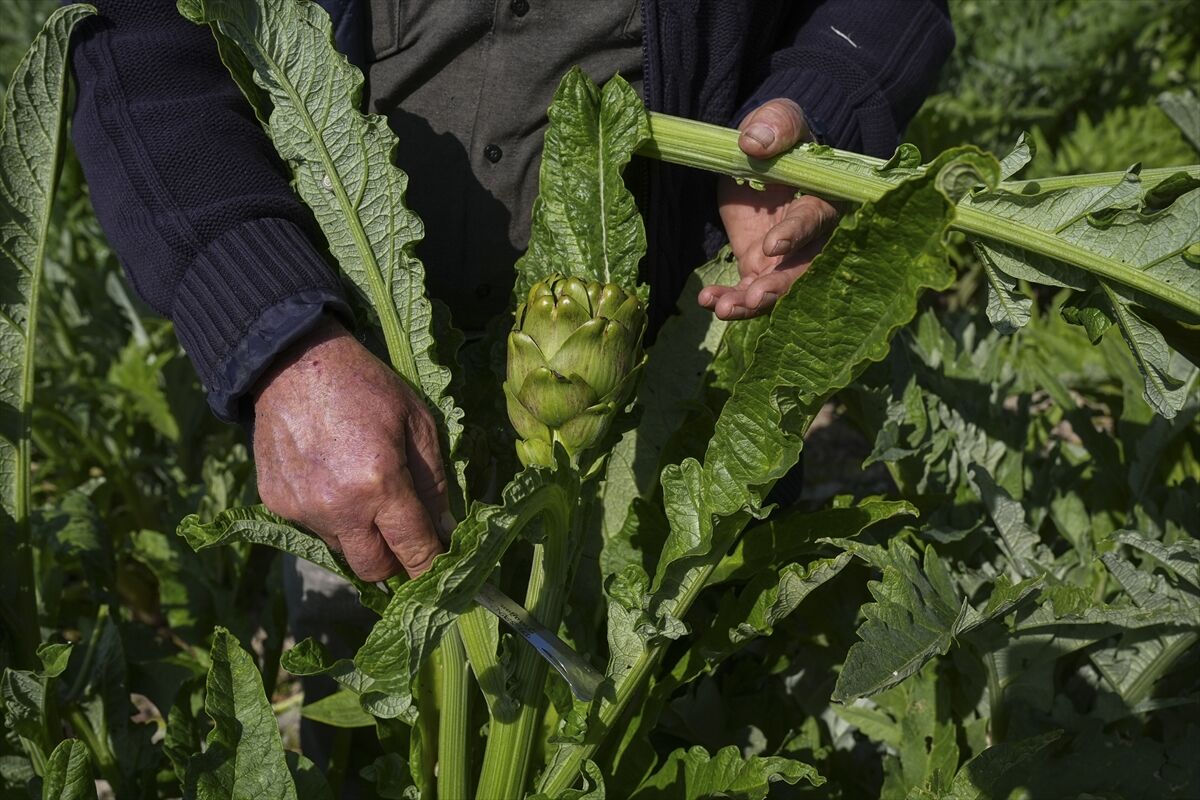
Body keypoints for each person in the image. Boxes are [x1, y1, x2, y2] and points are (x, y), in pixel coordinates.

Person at [68, 1, 954, 586]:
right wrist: (280, 339)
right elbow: (144, 44)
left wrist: (820, 102)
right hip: (349, 403)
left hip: (677, 388)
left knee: (667, 712)